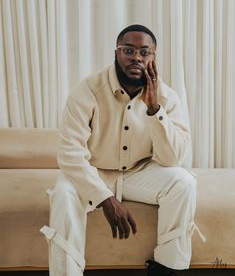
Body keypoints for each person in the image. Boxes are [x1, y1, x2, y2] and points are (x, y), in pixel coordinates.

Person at [40, 24, 203, 276]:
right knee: (63, 193)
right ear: (116, 53)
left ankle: (167, 270)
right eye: (129, 50)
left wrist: (154, 110)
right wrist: (105, 198)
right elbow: (69, 153)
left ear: (153, 58)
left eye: (144, 52)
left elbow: (173, 159)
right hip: (93, 171)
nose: (136, 57)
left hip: (139, 173)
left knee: (184, 183)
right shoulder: (88, 90)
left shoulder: (166, 97)